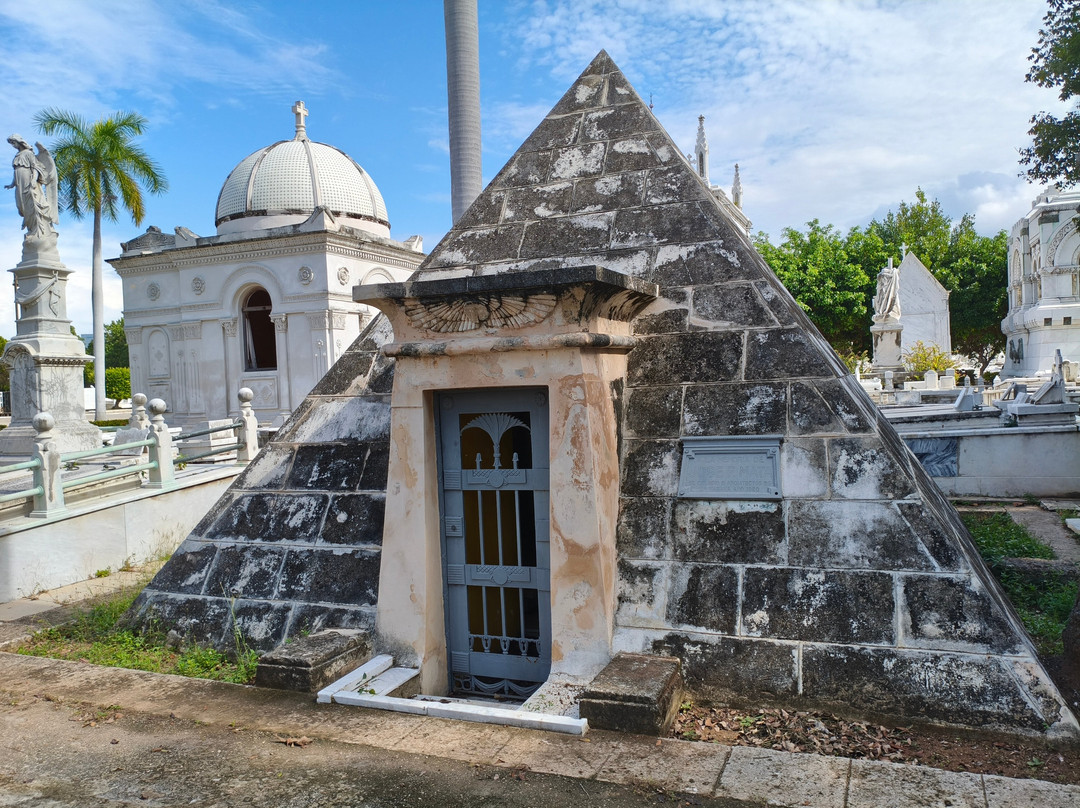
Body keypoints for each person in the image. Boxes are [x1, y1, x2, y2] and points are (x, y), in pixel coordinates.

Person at [6, 134, 57, 240]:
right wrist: (12, 184)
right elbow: (17, 172)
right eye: (11, 144)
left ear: (19, 142)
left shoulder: (28, 153)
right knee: (21, 205)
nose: (13, 145)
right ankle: (31, 228)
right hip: (19, 184)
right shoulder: (17, 155)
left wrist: (33, 180)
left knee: (31, 204)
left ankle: (38, 230)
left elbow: (36, 168)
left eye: (13, 143)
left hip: (28, 181)